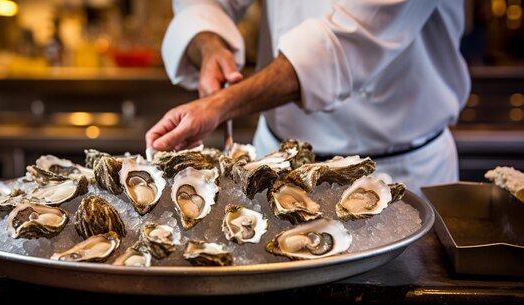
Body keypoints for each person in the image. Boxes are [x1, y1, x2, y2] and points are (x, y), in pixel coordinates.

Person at [146, 0, 471, 193]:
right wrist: (209, 44)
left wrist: (218, 105)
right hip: (273, 162)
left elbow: (349, 40)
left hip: (399, 172)